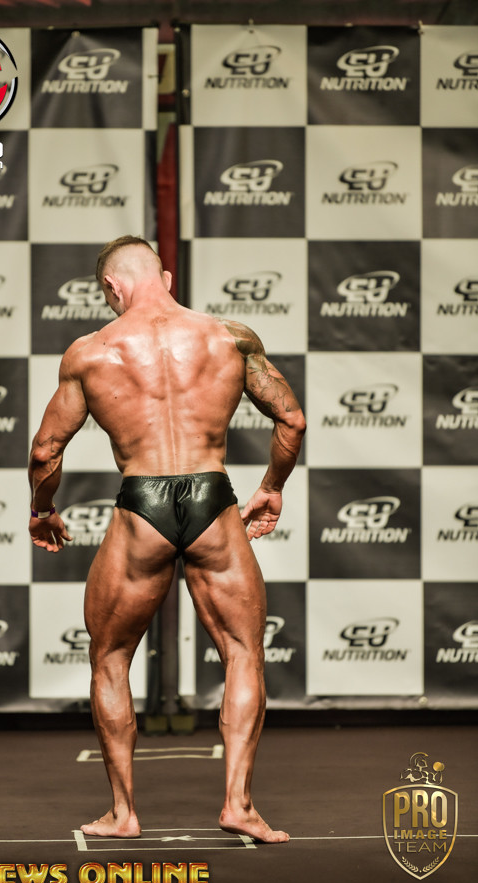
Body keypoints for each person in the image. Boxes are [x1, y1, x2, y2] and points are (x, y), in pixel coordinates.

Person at [28, 236, 306, 843]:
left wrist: (42, 509)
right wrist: (271, 487)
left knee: (110, 657)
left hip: (142, 504)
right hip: (213, 500)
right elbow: (292, 418)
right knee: (243, 652)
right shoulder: (230, 337)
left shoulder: (91, 352)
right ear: (168, 277)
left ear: (112, 288)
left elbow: (46, 449)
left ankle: (123, 814)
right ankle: (239, 805)